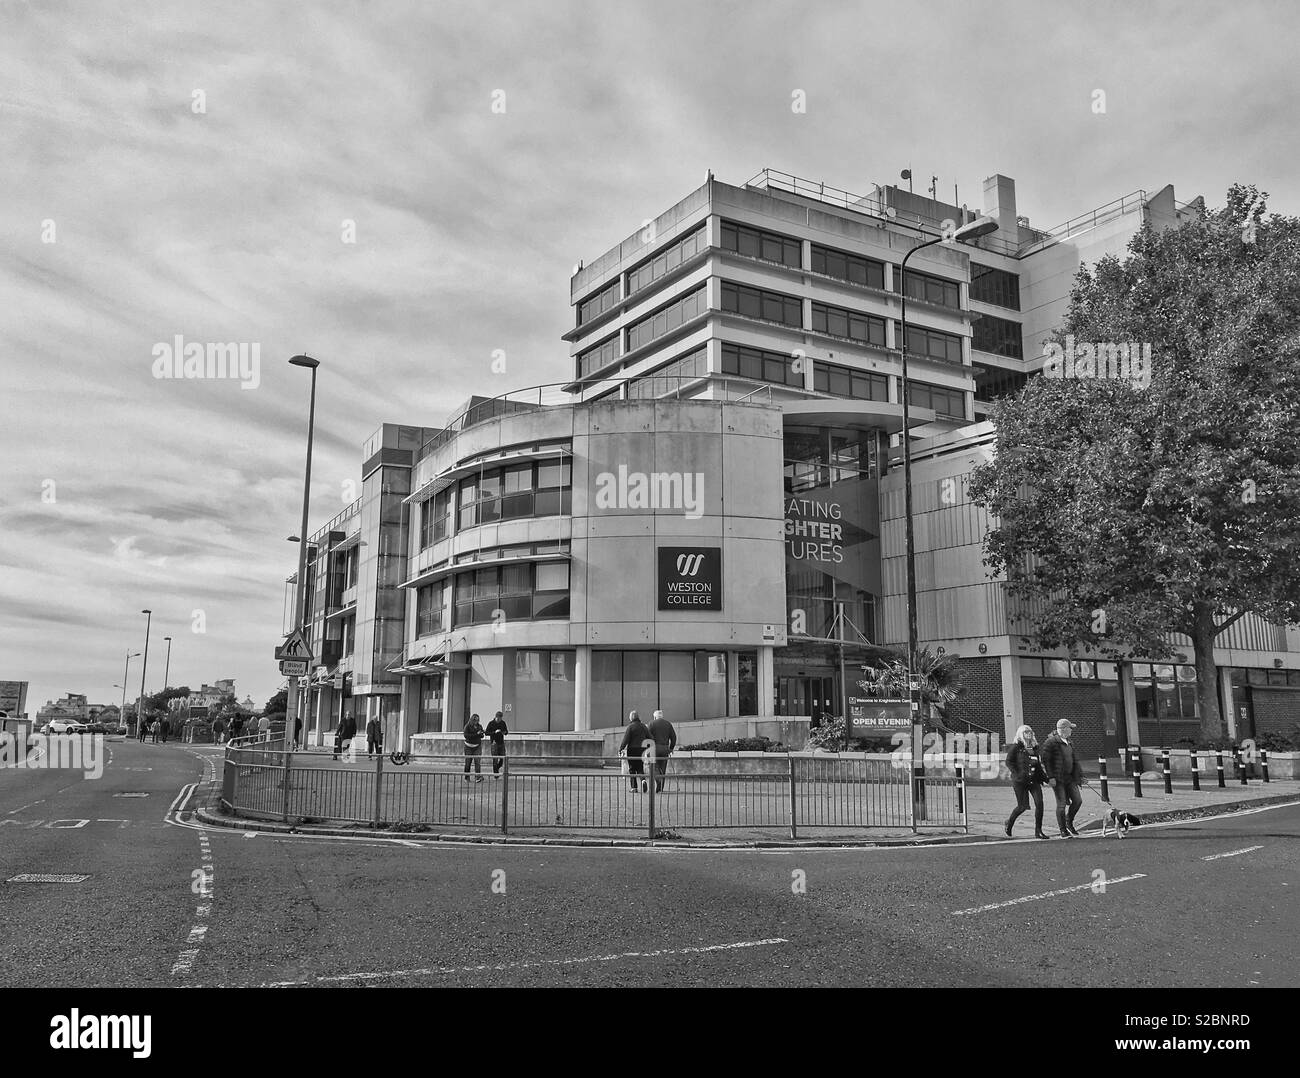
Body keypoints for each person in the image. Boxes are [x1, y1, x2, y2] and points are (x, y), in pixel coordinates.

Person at [1041, 718, 1085, 837]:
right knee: (1061, 804)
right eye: (1070, 728)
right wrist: (1050, 777)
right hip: (1058, 778)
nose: (1071, 730)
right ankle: (1063, 829)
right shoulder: (1050, 742)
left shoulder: (1069, 742)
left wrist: (1080, 776)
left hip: (1070, 778)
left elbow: (1075, 760)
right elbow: (1046, 761)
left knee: (1077, 801)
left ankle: (1068, 821)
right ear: (1064, 729)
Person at [1004, 725, 1049, 839]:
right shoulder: (1016, 747)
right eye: (1026, 732)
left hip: (1034, 781)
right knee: (1022, 806)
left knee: (1039, 804)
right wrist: (1017, 773)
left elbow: (1038, 766)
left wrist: (1045, 778)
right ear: (1021, 734)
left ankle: (1038, 830)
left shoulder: (1035, 748)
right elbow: (1009, 762)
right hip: (1020, 781)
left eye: (1030, 732)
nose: (1029, 734)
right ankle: (1009, 823)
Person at [619, 710, 652, 793]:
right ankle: (643, 780)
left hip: (632, 749)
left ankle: (634, 787)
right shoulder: (644, 726)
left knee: (632, 768)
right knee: (640, 767)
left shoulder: (630, 727)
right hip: (642, 749)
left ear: (631, 718)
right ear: (638, 718)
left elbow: (626, 739)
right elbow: (650, 738)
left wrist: (621, 748)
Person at [647, 709, 677, 793]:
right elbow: (674, 738)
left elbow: (647, 737)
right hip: (664, 749)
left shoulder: (651, 724)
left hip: (654, 749)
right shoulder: (668, 724)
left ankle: (658, 780)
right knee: (662, 768)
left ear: (655, 716)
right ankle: (660, 788)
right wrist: (671, 748)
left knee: (653, 767)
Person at [485, 711, 509, 777]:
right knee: (495, 759)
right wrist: (494, 732)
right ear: (495, 717)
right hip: (494, 743)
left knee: (502, 758)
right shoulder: (491, 723)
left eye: (500, 718)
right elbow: (486, 733)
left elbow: (506, 731)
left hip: (501, 742)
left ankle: (497, 768)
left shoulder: (503, 723)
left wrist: (504, 732)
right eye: (498, 718)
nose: (499, 720)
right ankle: (496, 774)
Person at [463, 713, 485, 781]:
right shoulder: (467, 726)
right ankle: (467, 777)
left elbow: (482, 736)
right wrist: (476, 734)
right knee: (468, 762)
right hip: (468, 746)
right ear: (472, 720)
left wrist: (481, 733)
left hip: (477, 746)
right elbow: (466, 736)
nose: (477, 722)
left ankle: (477, 777)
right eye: (475, 720)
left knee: (477, 762)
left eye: (478, 720)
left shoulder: (479, 726)